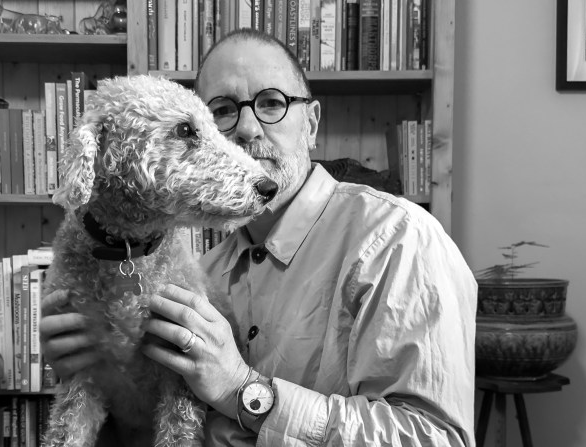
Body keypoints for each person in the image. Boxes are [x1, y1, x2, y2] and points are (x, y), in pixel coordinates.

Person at [40, 28, 477, 446]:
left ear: (311, 123)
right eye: (222, 111)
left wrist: (241, 390)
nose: (247, 128)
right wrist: (103, 375)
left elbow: (433, 437)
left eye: (272, 103)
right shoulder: (198, 271)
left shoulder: (398, 239)